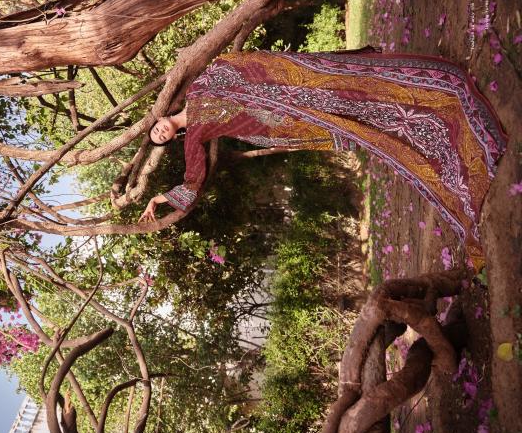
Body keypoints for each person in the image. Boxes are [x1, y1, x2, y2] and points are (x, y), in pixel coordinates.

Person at [138, 47, 507, 270]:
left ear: (161, 118)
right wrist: (159, 198)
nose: (161, 133)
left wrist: (267, 72)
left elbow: (228, 64)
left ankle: (402, 91)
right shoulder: (194, 137)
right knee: (338, 115)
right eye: (160, 139)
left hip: (277, 86)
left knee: (335, 89)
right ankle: (398, 120)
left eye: (157, 130)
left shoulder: (196, 90)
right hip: (277, 119)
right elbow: (193, 180)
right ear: (170, 140)